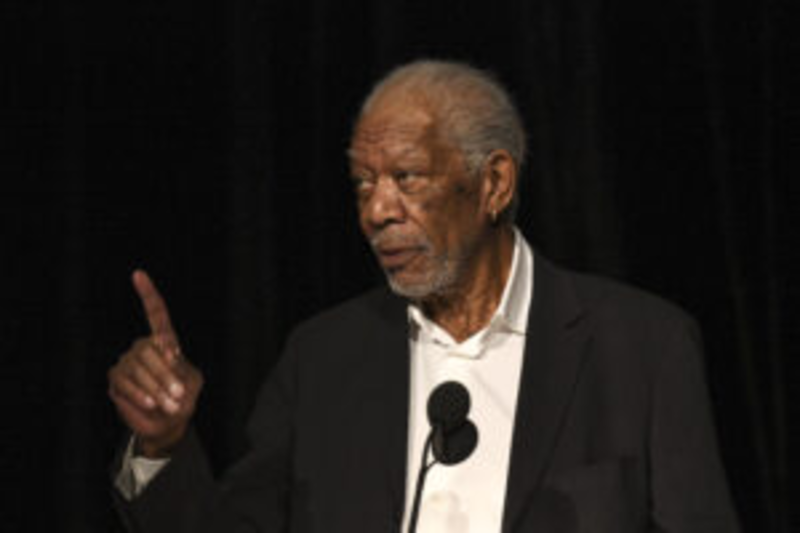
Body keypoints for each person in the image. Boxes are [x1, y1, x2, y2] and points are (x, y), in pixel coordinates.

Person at [108, 60, 740, 532]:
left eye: (406, 177)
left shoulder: (643, 347)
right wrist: (162, 445)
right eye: (363, 183)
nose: (377, 211)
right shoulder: (323, 358)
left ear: (493, 183)